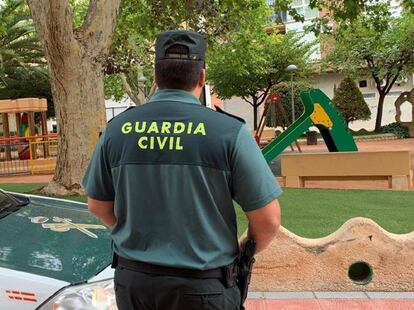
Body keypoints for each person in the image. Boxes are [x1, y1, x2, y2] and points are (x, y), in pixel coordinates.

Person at [82, 30, 282, 310]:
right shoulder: (228, 131)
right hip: (203, 287)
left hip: (134, 284)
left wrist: (138, 237)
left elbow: (98, 206)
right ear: (201, 77)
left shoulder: (117, 130)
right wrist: (241, 252)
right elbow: (269, 220)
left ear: (155, 77)